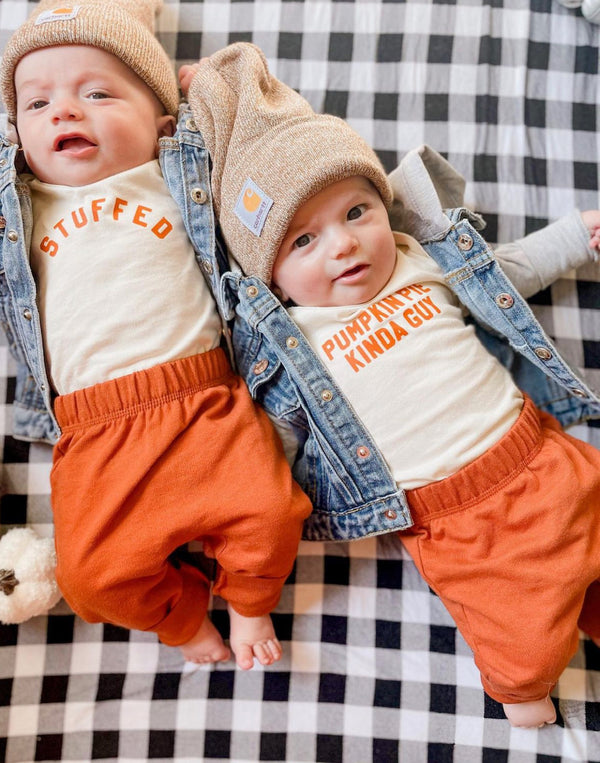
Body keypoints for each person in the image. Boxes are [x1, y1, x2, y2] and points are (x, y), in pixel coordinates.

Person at [180, 42, 600, 727]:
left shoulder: (418, 261)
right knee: (519, 629)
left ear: (384, 204)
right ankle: (523, 695)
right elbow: (268, 452)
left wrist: (573, 239)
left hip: (544, 453)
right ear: (271, 280)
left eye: (355, 212)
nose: (344, 245)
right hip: (456, 519)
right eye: (302, 241)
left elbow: (508, 273)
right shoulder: (294, 344)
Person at [0, 1, 312, 671]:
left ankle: (250, 598)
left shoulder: (173, 176)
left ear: (162, 123)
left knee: (273, 512)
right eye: (37, 103)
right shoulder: (24, 205)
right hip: (95, 431)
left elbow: (270, 144)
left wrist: (213, 90)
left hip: (206, 400)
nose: (64, 112)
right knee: (92, 579)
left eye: (97, 92)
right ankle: (181, 612)